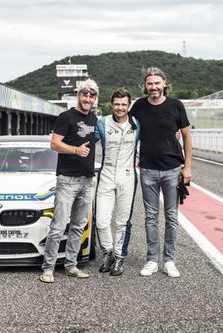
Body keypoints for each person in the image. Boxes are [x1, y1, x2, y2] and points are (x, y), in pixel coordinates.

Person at [129, 67, 192, 278]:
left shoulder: (176, 105)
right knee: (150, 217)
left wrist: (188, 167)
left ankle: (170, 260)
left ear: (164, 84)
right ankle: (152, 260)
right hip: (147, 169)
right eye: (149, 84)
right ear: (145, 86)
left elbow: (186, 136)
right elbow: (127, 128)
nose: (153, 87)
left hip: (173, 169)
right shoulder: (138, 106)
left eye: (157, 83)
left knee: (172, 217)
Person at [39, 79, 99, 283]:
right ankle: (47, 268)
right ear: (78, 95)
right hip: (67, 179)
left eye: (91, 96)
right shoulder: (66, 116)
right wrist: (75, 150)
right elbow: (54, 144)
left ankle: (71, 266)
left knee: (78, 225)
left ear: (94, 99)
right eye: (85, 95)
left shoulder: (94, 118)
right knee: (58, 226)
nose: (88, 98)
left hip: (87, 180)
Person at [94, 88, 140, 276]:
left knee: (122, 221)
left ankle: (120, 257)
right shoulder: (102, 123)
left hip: (127, 176)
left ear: (129, 106)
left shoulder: (137, 123)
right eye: (117, 104)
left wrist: (175, 135)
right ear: (111, 104)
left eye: (124, 104)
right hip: (106, 175)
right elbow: (87, 141)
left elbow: (156, 137)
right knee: (101, 221)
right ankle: (108, 252)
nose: (120, 108)